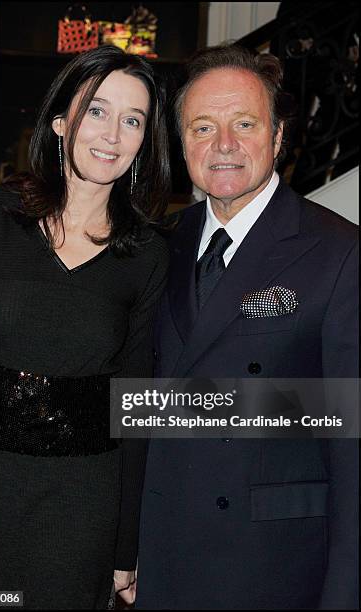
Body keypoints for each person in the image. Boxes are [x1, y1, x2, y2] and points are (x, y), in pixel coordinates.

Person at [135, 44, 358, 609]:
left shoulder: (339, 253)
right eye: (203, 126)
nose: (224, 145)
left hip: (275, 568)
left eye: (244, 124)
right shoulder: (159, 244)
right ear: (181, 142)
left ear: (279, 136)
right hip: (163, 556)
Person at [0, 45, 170, 609]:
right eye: (96, 110)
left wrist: (126, 547)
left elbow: (137, 406)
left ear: (145, 141)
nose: (112, 134)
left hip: (79, 507)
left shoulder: (147, 255)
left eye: (133, 120)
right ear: (59, 121)